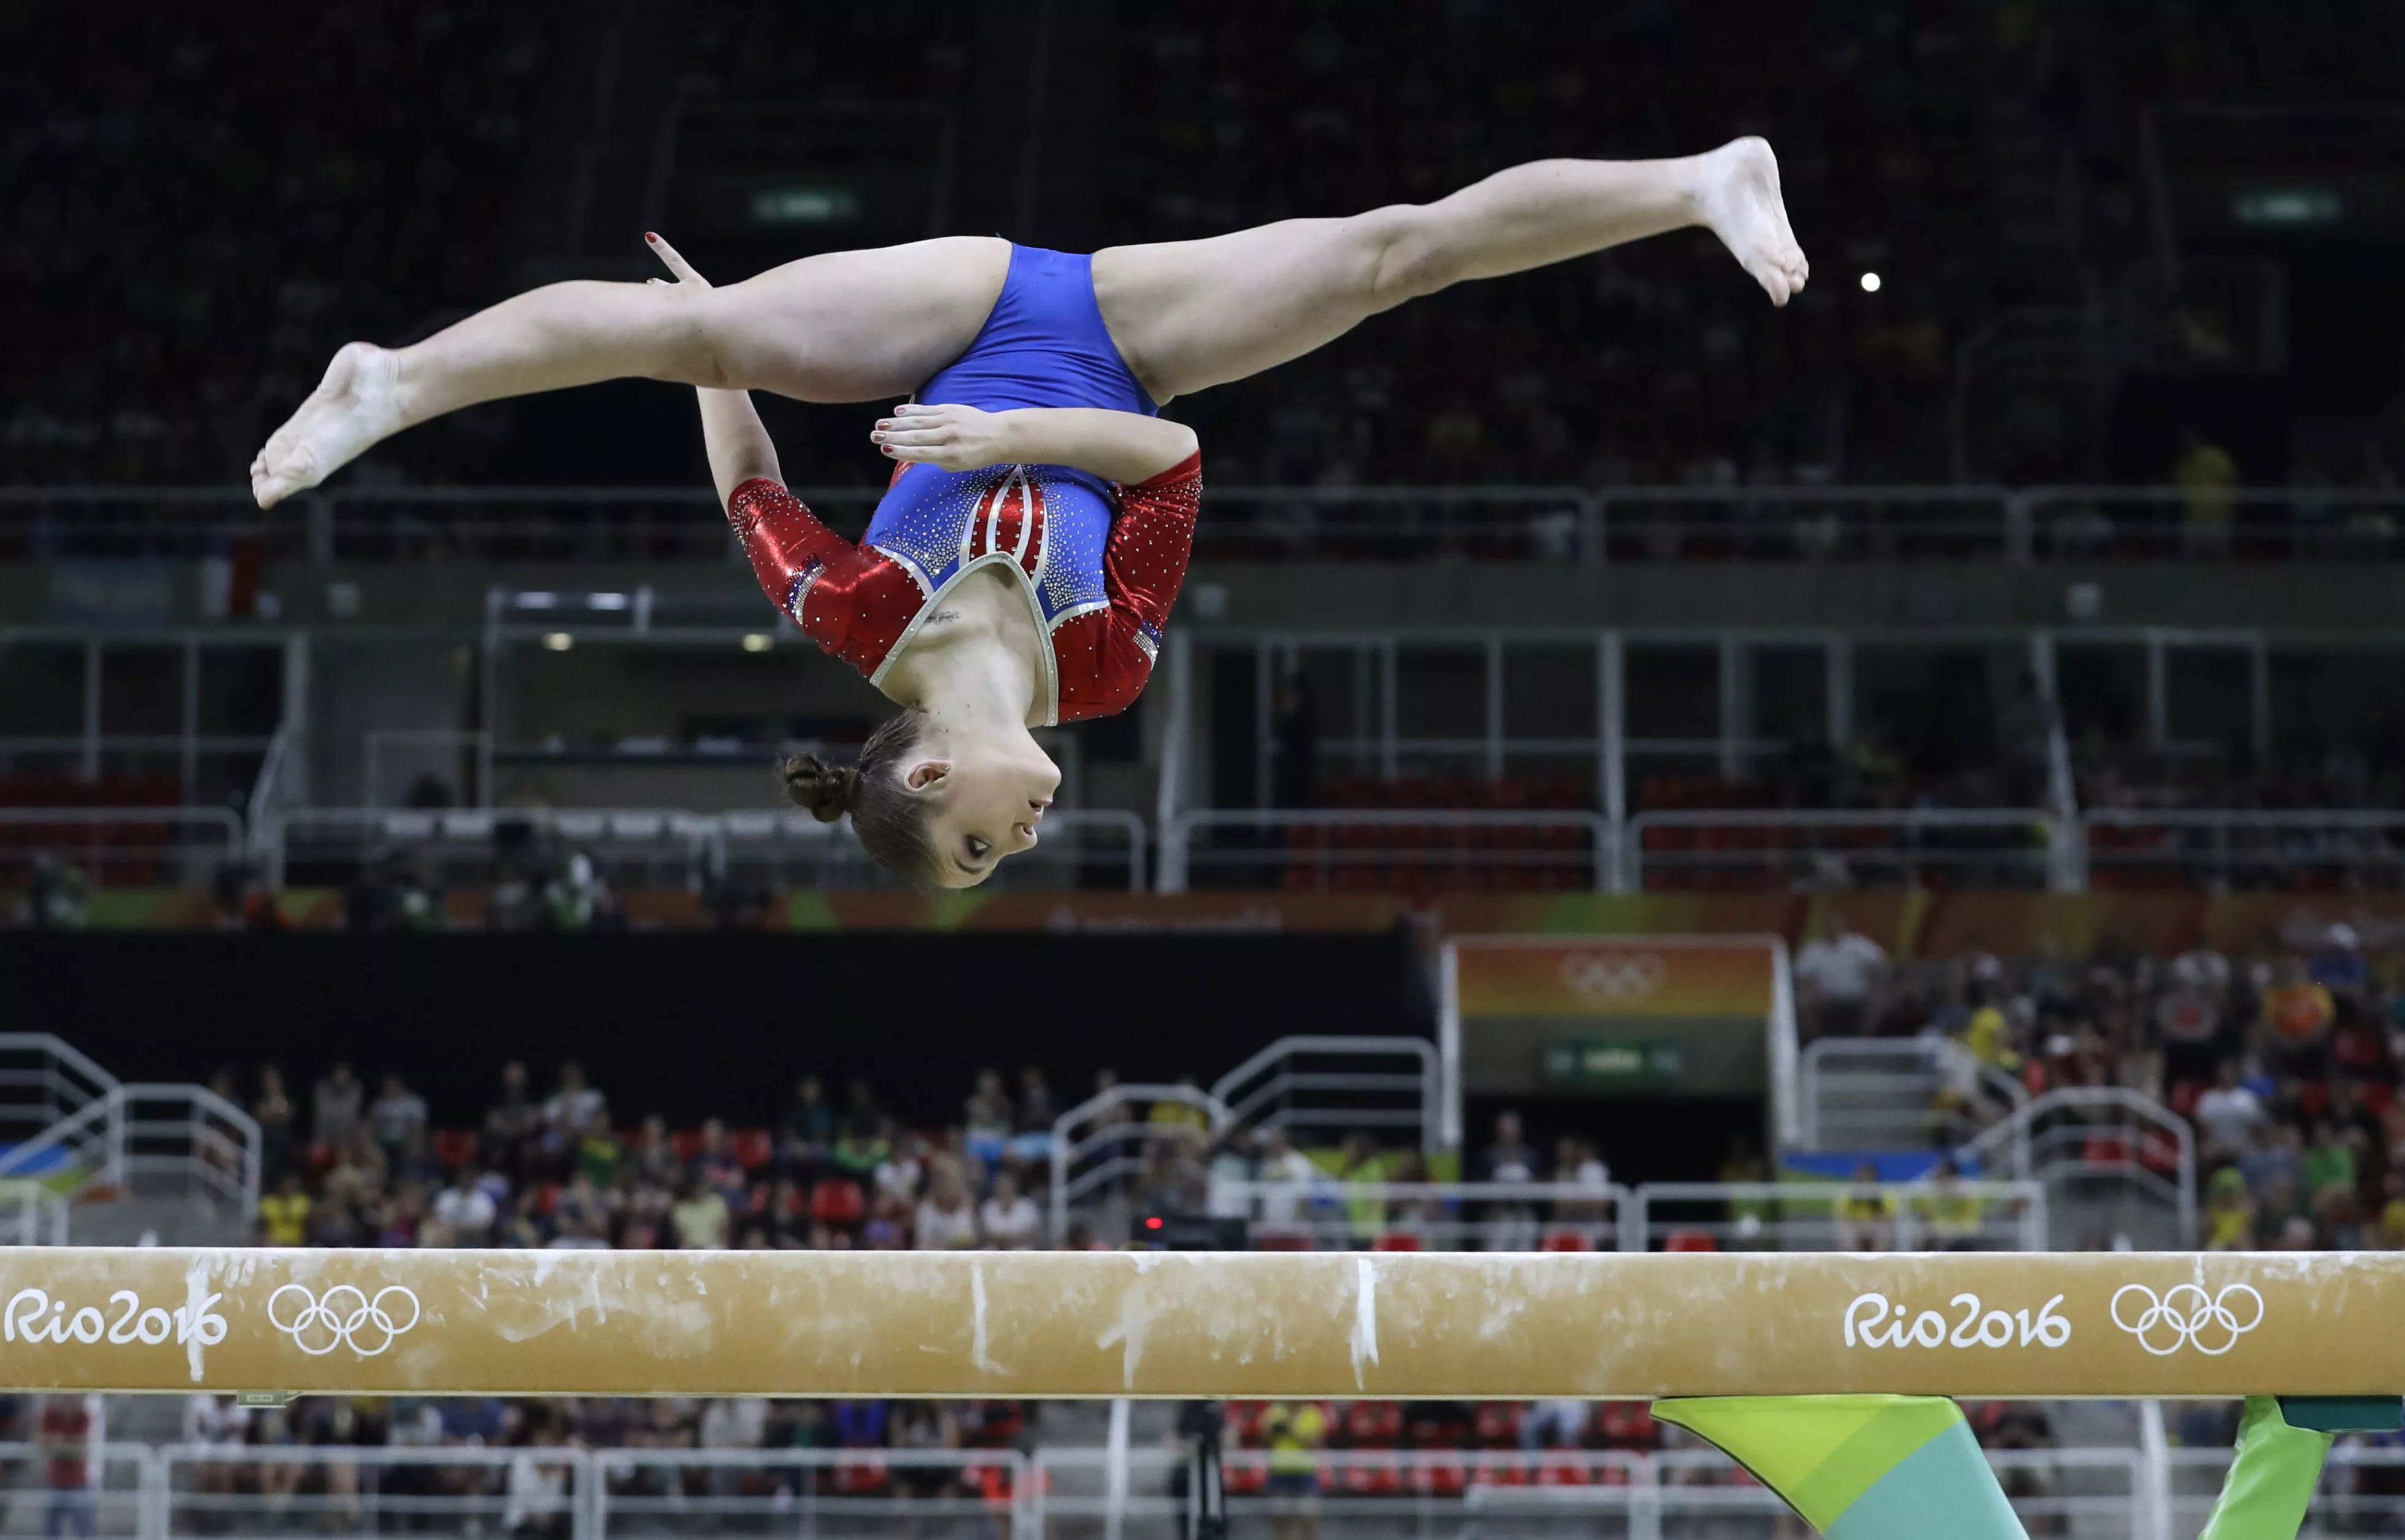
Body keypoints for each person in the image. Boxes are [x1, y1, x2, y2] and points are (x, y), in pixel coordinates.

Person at [250, 142, 1807, 885]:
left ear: (921, 769)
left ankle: (392, 381)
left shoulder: (860, 619)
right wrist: (1019, 435)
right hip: (1123, 348)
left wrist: (721, 331)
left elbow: (753, 488)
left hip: (956, 310)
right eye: (1010, 848)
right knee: (1398, 253)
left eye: (982, 836)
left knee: (701, 344)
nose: (1030, 826)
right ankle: (1695, 184)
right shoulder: (1105, 666)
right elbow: (1168, 462)